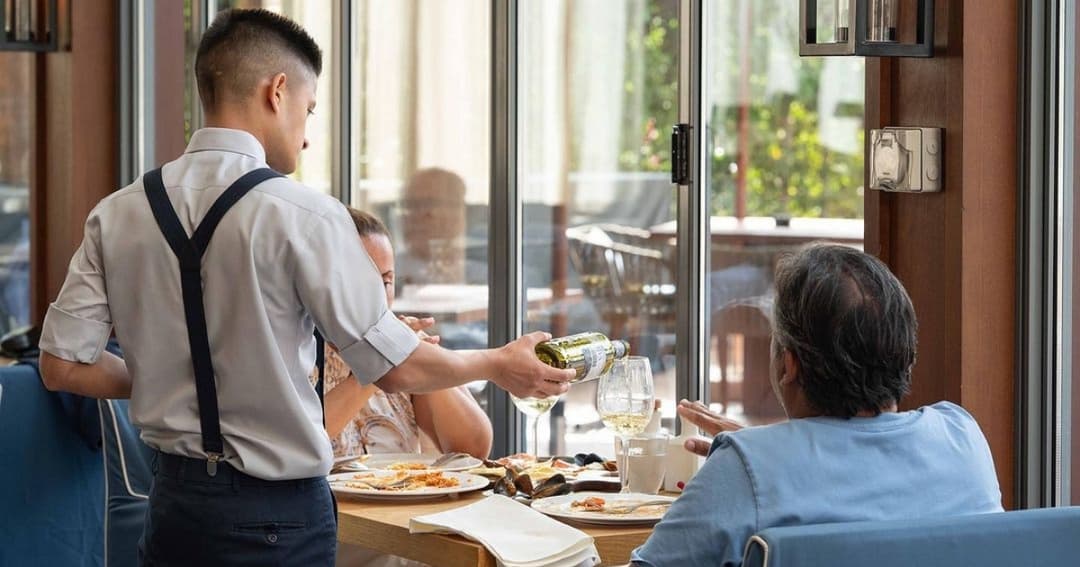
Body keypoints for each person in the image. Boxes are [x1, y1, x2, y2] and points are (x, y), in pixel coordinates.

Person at [36, 9, 573, 567]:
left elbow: (61, 366)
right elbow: (393, 366)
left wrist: (170, 381)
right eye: (309, 109)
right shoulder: (303, 214)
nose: (307, 134)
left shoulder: (118, 212)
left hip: (173, 508)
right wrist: (497, 362)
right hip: (278, 515)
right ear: (278, 90)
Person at [630, 243, 1003, 566]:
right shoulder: (962, 438)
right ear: (907, 354)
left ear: (788, 364)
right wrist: (769, 451)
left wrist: (757, 458)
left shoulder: (747, 470)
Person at [320, 208, 492, 458]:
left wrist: (425, 360)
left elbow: (473, 450)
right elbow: (302, 443)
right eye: (364, 281)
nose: (379, 294)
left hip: (402, 495)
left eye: (386, 281)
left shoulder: (402, 345)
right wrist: (379, 362)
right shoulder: (294, 349)